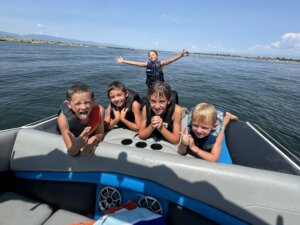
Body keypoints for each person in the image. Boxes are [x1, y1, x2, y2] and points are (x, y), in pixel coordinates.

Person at [57, 83, 105, 156]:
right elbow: (71, 152)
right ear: (69, 105)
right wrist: (76, 146)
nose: (83, 107)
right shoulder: (63, 119)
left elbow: (100, 133)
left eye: (87, 102)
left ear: (93, 102)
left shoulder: (99, 110)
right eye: (78, 104)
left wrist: (93, 140)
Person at [116, 49, 189, 89]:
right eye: (150, 55)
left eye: (153, 54)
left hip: (160, 88)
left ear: (157, 56)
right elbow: (135, 63)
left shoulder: (161, 63)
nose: (151, 56)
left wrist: (181, 55)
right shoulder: (147, 64)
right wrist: (123, 61)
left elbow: (171, 60)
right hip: (150, 88)